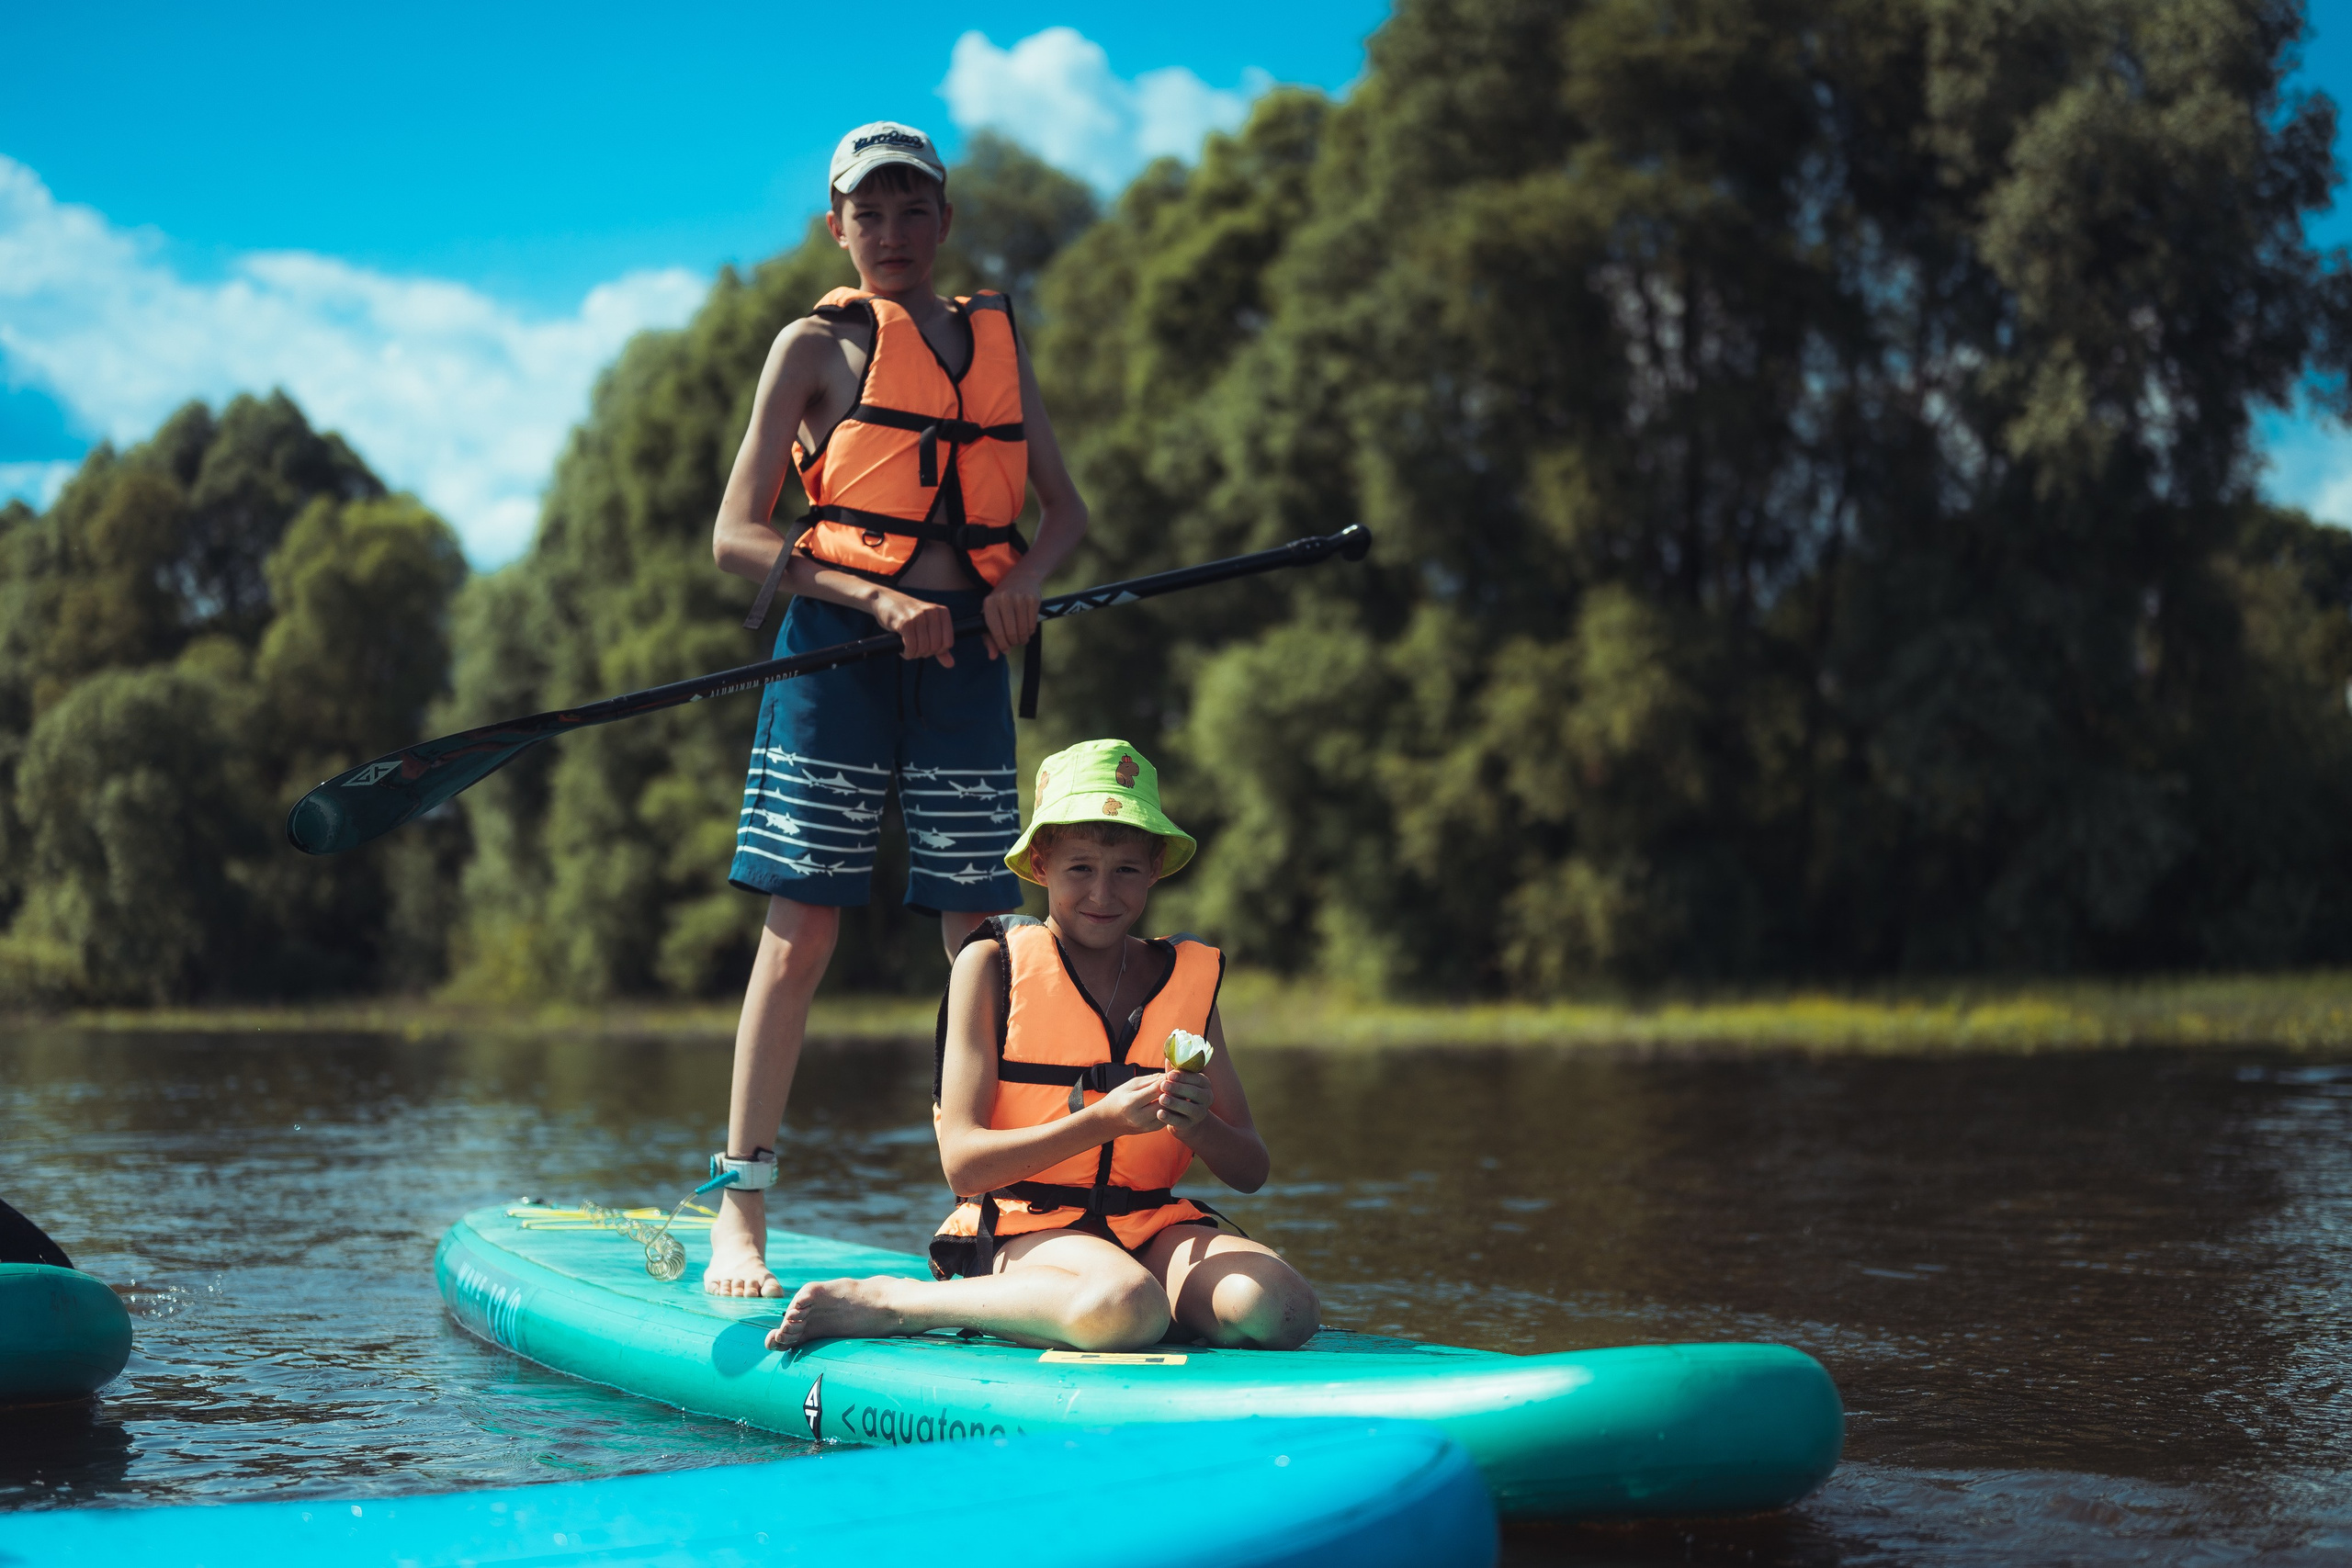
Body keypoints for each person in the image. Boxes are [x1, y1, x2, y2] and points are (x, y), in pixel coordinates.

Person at [704, 121, 1091, 1296]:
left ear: (945, 220)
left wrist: (1021, 582)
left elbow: (1063, 513)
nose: (892, 233)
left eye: (912, 208)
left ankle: (992, 1217)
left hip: (969, 660)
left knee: (982, 942)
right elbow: (737, 538)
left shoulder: (993, 344)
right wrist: (872, 600)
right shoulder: (811, 348)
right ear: (837, 226)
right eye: (867, 213)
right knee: (802, 931)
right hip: (833, 657)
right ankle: (742, 1212)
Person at [766, 740, 1319, 1352]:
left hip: (1151, 1229)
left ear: (1156, 866)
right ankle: (899, 1301)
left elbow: (1251, 1167)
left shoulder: (1186, 981)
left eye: (1127, 870)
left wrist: (1197, 1127)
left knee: (1283, 1307)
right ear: (1039, 865)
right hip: (1022, 1229)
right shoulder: (989, 964)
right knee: (1126, 1305)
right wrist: (1103, 1120)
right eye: (1080, 867)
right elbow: (964, 1162)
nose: (1103, 894)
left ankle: (1127, 1305)